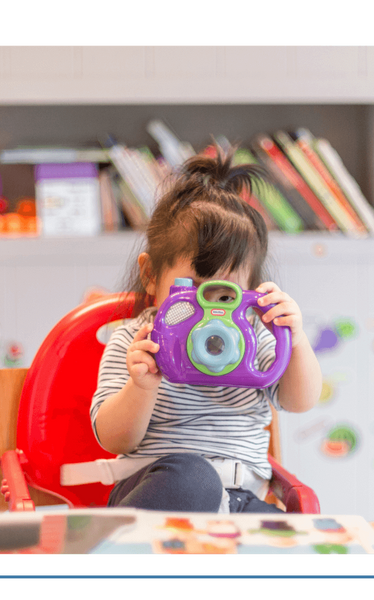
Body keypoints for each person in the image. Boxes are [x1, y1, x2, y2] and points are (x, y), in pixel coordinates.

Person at [90, 146, 322, 514]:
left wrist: (294, 340)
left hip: (242, 498)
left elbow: (300, 400)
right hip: (162, 490)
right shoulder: (137, 341)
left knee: (288, 540)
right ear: (151, 275)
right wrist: (141, 386)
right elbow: (112, 437)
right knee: (193, 478)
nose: (208, 309)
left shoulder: (254, 337)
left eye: (224, 293)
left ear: (249, 291)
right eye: (193, 287)